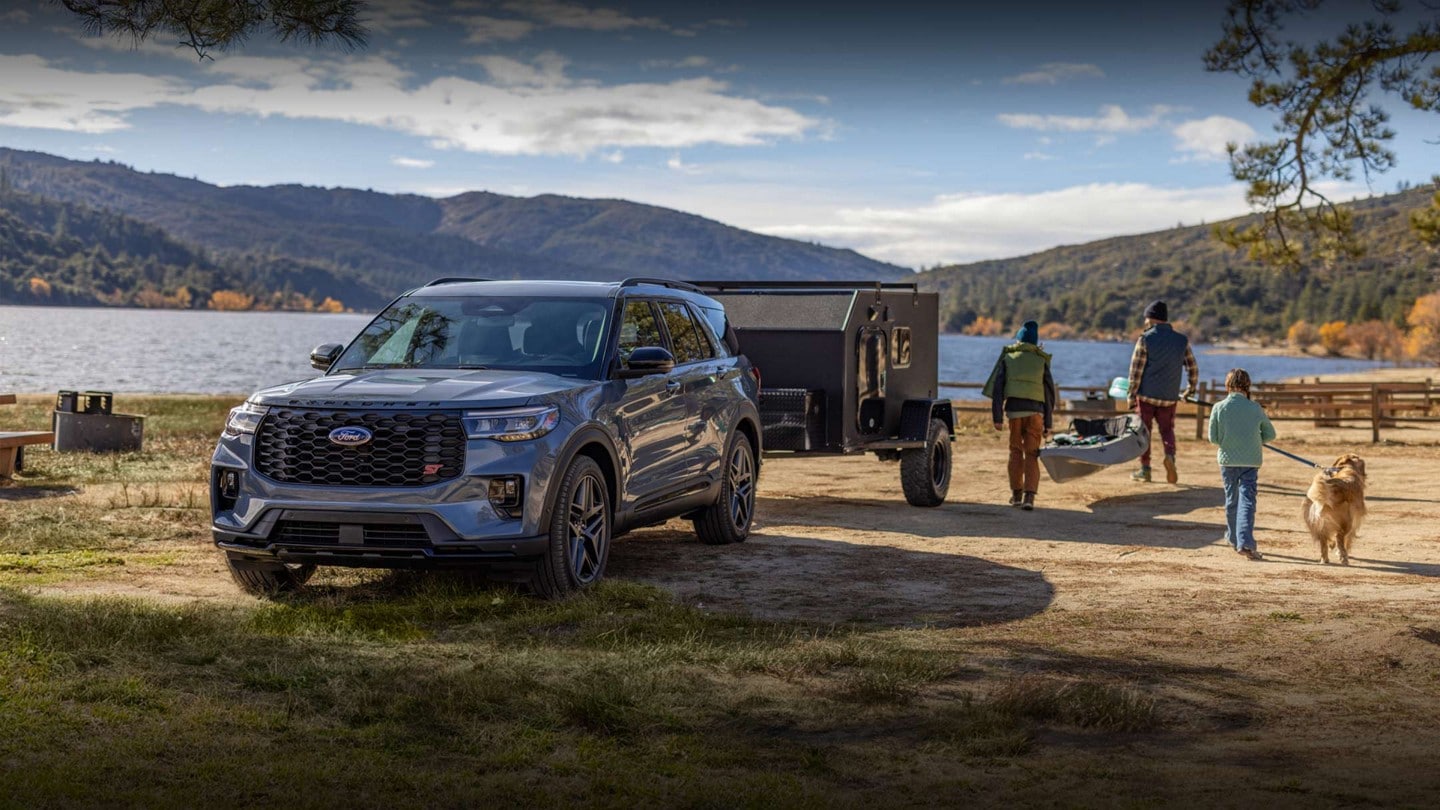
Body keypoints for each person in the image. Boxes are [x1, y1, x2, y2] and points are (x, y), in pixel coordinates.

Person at [983, 320, 1056, 511]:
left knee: (1015, 452)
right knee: (1032, 454)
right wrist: (1048, 422)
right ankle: (1029, 498)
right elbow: (1049, 394)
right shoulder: (1041, 361)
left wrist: (997, 417)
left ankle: (1016, 495)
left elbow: (998, 389)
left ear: (1019, 340)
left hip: (1015, 413)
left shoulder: (1009, 358)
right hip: (1036, 413)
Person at [1126, 300, 1199, 484]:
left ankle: (1145, 469)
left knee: (1144, 432)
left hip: (1146, 396)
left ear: (1151, 319)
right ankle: (1170, 457)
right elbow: (1193, 367)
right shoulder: (1181, 340)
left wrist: (1131, 396)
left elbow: (1135, 371)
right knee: (1167, 430)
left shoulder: (1145, 339)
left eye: (1146, 318)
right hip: (1169, 397)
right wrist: (1190, 389)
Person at [1207, 368, 1276, 561]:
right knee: (1247, 501)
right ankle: (1244, 541)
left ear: (1228, 386)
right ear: (1247, 386)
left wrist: (1229, 440)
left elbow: (1213, 439)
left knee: (1232, 499)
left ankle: (1233, 537)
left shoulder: (1219, 408)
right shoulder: (1255, 408)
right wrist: (1255, 438)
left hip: (1228, 461)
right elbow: (1271, 434)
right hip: (1250, 461)